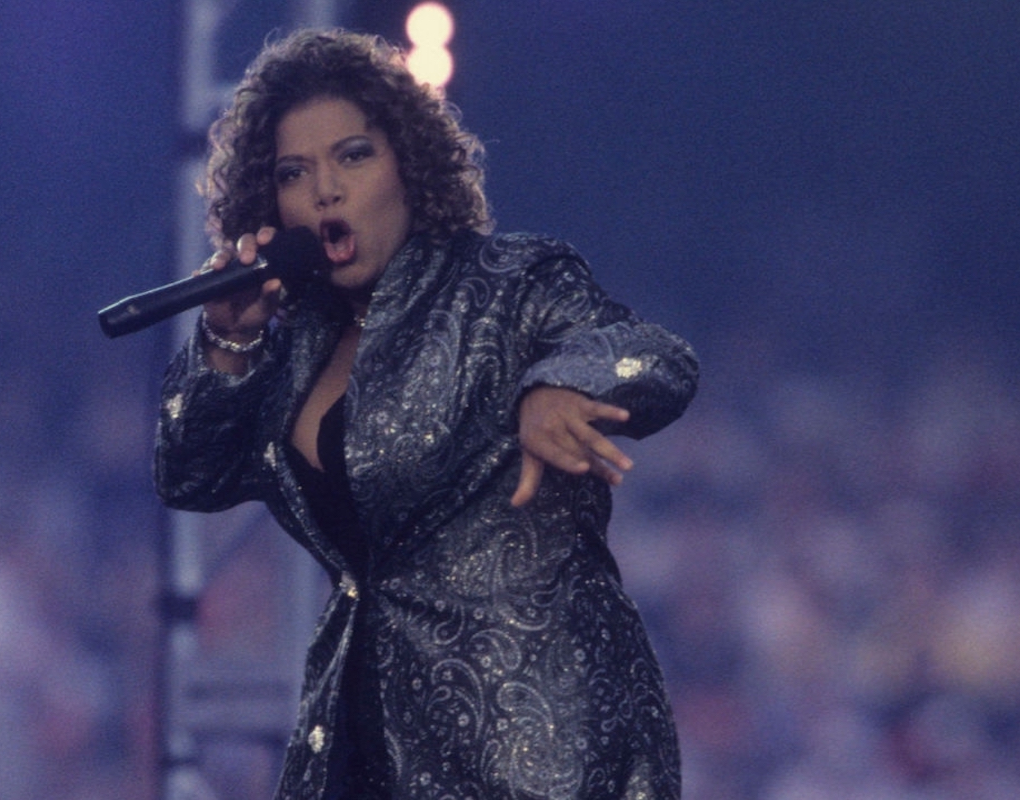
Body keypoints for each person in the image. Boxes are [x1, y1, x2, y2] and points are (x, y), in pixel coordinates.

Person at [154, 28, 698, 800]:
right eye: (293, 172)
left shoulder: (503, 285)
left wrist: (557, 385)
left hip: (536, 750)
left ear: (407, 166)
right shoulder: (292, 348)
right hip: (366, 744)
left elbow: (654, 355)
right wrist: (229, 338)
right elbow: (189, 474)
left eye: (353, 156)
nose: (325, 191)